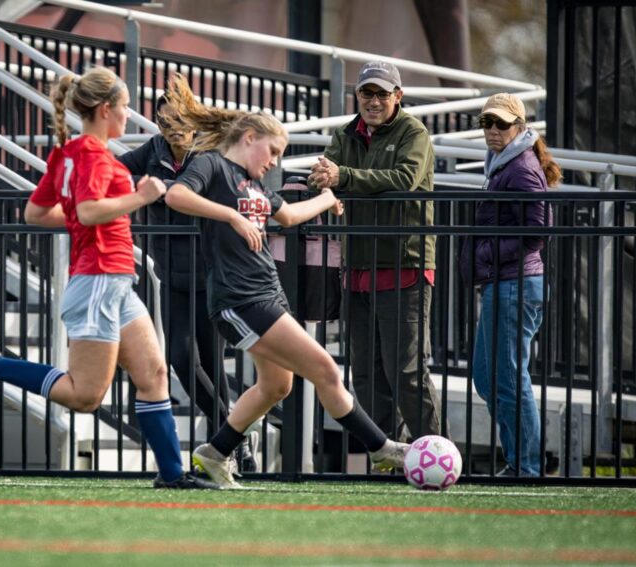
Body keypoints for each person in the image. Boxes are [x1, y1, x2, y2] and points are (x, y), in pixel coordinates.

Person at [0, 67, 218, 489]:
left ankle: (172, 475)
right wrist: (142, 196)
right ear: (106, 109)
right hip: (96, 281)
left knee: (154, 376)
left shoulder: (70, 152)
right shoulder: (92, 155)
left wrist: (79, 217)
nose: (130, 116)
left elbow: (37, 213)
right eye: (126, 107)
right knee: (84, 396)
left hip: (115, 280)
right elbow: (91, 210)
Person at [163, 73, 409, 488]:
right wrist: (232, 216)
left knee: (277, 385)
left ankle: (214, 453)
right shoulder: (213, 166)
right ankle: (381, 448)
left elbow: (289, 216)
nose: (275, 160)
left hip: (267, 295)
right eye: (273, 150)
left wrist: (329, 199)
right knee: (326, 369)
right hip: (240, 298)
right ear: (249, 137)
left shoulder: (255, 184)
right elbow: (174, 196)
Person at [119, 96, 257, 471]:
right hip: (171, 271)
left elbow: (218, 191)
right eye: (164, 124)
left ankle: (228, 449)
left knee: (212, 363)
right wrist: (148, 185)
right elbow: (115, 171)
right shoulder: (153, 149)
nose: (172, 131)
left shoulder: (211, 153)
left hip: (211, 270)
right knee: (180, 359)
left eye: (178, 123)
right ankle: (236, 433)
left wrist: (167, 189)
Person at [308, 61, 442, 443]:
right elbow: (329, 176)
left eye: (382, 94)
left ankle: (438, 455)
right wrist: (323, 184)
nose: (373, 100)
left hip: (406, 265)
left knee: (407, 373)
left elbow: (404, 179)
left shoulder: (413, 131)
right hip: (357, 269)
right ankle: (388, 456)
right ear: (357, 96)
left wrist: (342, 178)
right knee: (366, 373)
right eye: (367, 93)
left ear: (398, 97)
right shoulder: (345, 133)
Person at [459, 93, 560, 477]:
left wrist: (485, 255)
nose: (493, 131)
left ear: (519, 127)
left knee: (509, 380)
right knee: (489, 378)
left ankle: (526, 466)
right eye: (487, 123)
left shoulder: (520, 167)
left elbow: (539, 230)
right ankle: (520, 460)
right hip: (505, 283)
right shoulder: (502, 163)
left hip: (516, 284)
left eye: (501, 124)